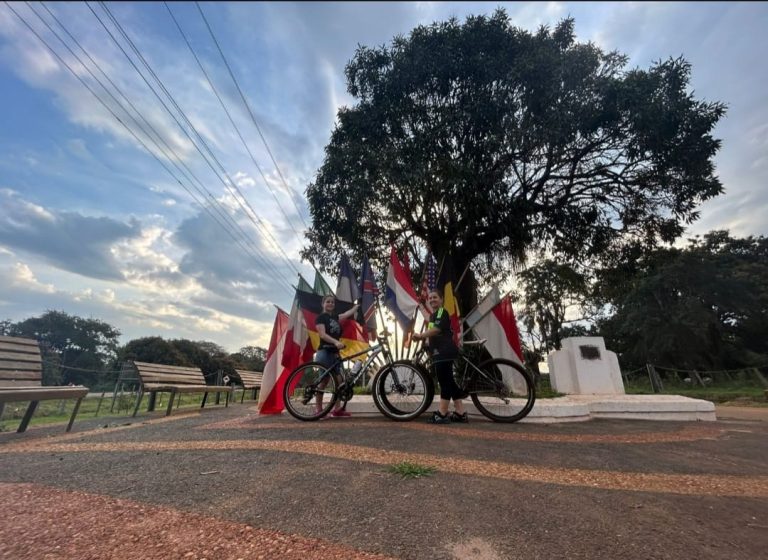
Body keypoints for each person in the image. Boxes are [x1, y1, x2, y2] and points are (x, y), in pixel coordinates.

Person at [412, 289, 468, 424]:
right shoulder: (433, 316)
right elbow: (431, 332)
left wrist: (420, 335)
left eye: (435, 297)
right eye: (430, 298)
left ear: (441, 299)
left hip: (444, 351)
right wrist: (424, 342)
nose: (432, 300)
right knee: (450, 382)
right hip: (438, 352)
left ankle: (442, 414)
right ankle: (460, 413)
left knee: (444, 382)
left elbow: (437, 329)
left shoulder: (442, 312)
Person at [315, 294, 359, 418]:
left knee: (340, 382)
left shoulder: (335, 317)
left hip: (335, 354)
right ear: (323, 304)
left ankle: (337, 409)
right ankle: (318, 409)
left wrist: (356, 307)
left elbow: (346, 314)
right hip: (324, 352)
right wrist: (335, 342)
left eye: (332, 302)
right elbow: (322, 335)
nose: (330, 304)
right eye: (328, 302)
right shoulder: (320, 318)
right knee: (323, 382)